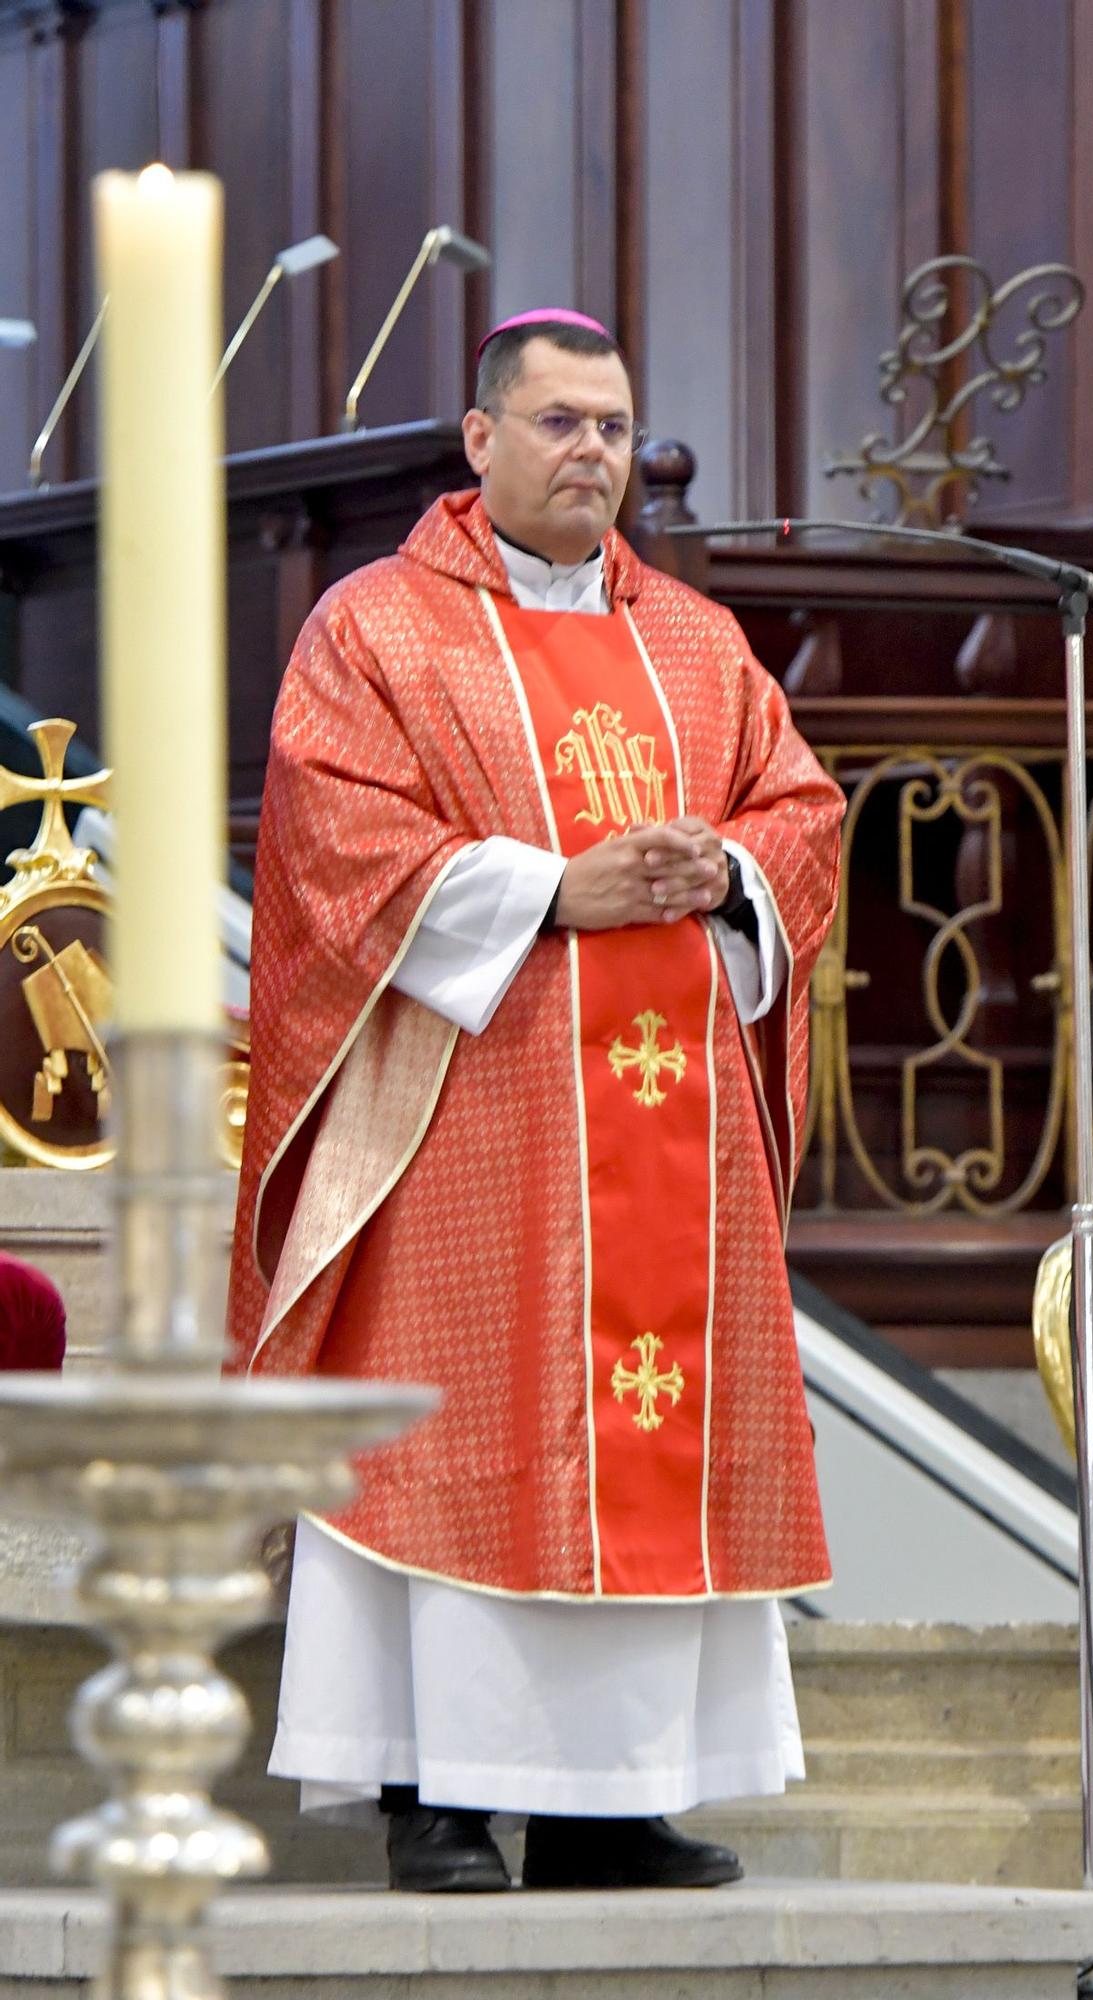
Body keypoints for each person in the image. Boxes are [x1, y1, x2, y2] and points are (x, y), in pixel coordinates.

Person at [227, 308, 844, 1894]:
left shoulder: (697, 642)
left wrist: (729, 874)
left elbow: (799, 809)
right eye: (561, 423)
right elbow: (329, 839)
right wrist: (548, 890)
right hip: (473, 1118)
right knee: (460, 1439)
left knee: (644, 1441)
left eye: (616, 428)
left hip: (669, 1127)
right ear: (479, 441)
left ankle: (606, 1803)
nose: (593, 454)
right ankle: (431, 1795)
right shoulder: (378, 630)